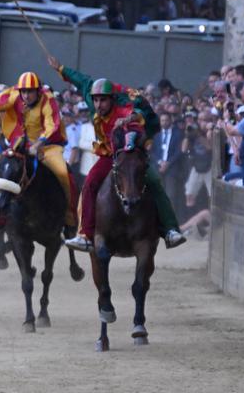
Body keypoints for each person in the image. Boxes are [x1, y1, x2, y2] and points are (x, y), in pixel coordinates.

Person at [50, 59, 186, 251]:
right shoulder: (92, 96)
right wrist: (61, 69)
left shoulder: (124, 108)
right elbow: (82, 80)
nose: (98, 104)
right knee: (89, 183)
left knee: (154, 182)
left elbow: (140, 112)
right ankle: (86, 236)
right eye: (96, 100)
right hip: (108, 154)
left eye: (103, 100)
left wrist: (131, 117)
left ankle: (171, 230)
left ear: (112, 99)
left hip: (130, 154)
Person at [0, 71, 78, 237]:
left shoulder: (48, 99)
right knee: (3, 172)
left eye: (30, 91)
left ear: (38, 91)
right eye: (24, 91)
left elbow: (52, 125)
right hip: (20, 143)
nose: (26, 95)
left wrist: (38, 144)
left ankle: (70, 220)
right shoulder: (14, 94)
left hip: (48, 145)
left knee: (63, 173)